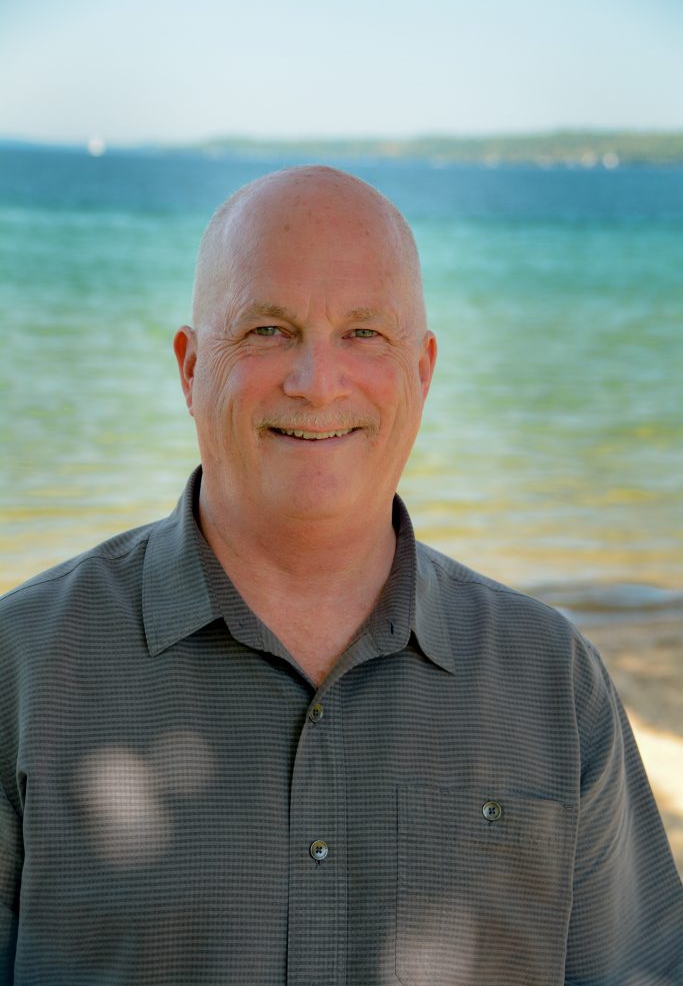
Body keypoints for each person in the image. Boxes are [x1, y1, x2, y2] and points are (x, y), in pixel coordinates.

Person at [0, 165, 681, 985]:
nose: (315, 383)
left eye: (363, 333)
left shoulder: (550, 680)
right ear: (188, 369)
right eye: (266, 331)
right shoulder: (23, 668)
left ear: (422, 373)